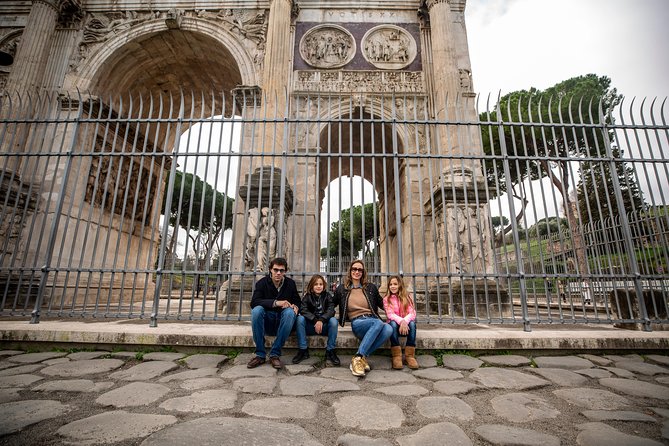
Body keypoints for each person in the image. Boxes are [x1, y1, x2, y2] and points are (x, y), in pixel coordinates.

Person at [334, 259, 393, 377]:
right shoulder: (342, 288)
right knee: (378, 323)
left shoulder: (370, 287)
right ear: (350, 271)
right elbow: (331, 304)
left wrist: (400, 310)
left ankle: (359, 357)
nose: (357, 272)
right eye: (354, 269)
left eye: (360, 270)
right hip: (358, 322)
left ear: (363, 272)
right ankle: (360, 358)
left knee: (389, 329)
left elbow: (382, 304)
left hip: (372, 320)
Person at [247, 257, 301, 369]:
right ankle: (260, 355)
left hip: (284, 322)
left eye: (281, 270)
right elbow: (254, 302)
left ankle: (274, 354)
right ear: (270, 270)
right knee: (257, 310)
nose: (278, 273)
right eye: (275, 270)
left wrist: (296, 306)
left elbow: (297, 301)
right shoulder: (262, 283)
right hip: (267, 321)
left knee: (290, 313)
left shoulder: (290, 284)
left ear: (285, 271)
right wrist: (276, 303)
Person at [292, 274, 340, 366]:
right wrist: (315, 320)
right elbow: (303, 310)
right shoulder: (307, 296)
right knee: (300, 319)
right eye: (316, 284)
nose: (318, 286)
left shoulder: (327, 296)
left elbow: (331, 310)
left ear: (324, 285)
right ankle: (303, 350)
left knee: (334, 321)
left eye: (321, 284)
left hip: (324, 327)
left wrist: (321, 320)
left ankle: (330, 351)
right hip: (311, 326)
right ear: (311, 286)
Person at [383, 275, 419, 370]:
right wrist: (401, 321)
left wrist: (405, 321)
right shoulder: (387, 299)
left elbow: (412, 312)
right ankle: (396, 355)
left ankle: (409, 356)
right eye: (390, 284)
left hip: (405, 327)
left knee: (412, 323)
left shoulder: (407, 297)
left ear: (400, 285)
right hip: (395, 327)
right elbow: (390, 314)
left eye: (395, 284)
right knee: (393, 324)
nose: (393, 286)